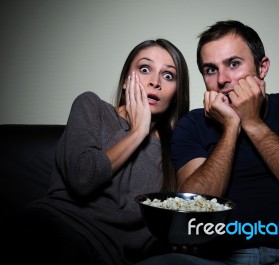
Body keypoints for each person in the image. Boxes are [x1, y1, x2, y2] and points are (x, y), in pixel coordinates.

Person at [136, 20, 279, 265]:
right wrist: (231, 128)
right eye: (210, 70)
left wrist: (252, 122)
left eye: (234, 64)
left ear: (262, 67)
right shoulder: (192, 124)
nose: (222, 79)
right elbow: (193, 208)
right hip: (218, 260)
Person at [2, 39, 190, 265]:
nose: (155, 82)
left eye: (168, 75)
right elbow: (84, 179)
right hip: (50, 229)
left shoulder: (174, 154)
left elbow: (156, 234)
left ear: (177, 92)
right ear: (124, 81)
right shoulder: (92, 107)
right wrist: (138, 131)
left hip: (106, 256)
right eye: (144, 69)